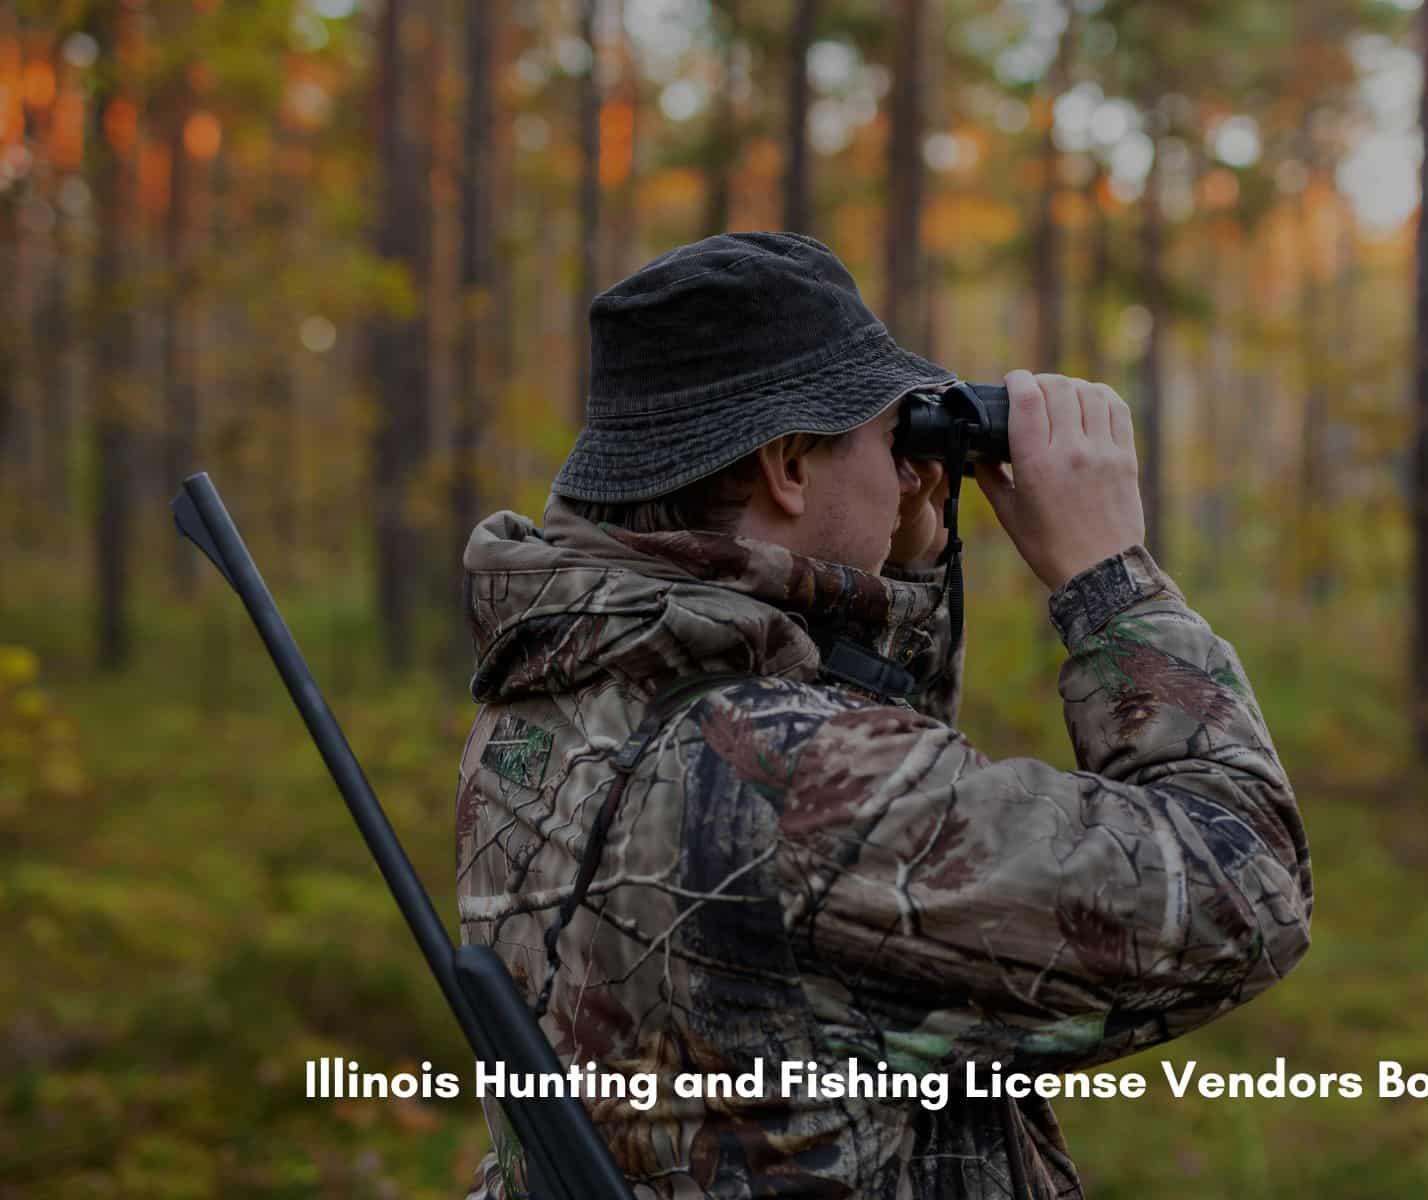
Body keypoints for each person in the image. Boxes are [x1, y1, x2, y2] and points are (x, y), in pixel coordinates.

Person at [456, 232, 1311, 1199]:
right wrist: (1112, 585)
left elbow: (852, 871)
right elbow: (1246, 891)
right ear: (787, 464)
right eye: (888, 438)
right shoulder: (794, 779)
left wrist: (899, 571)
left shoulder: (548, 696)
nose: (910, 471)